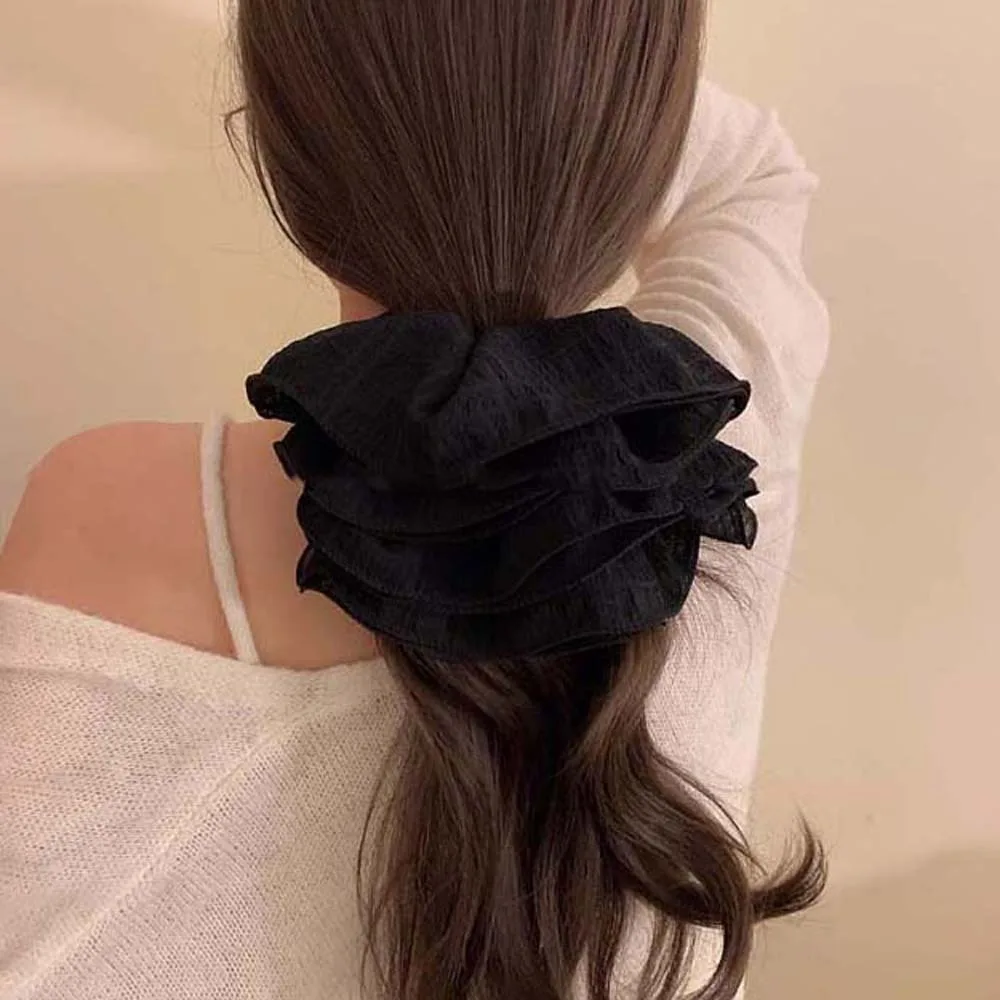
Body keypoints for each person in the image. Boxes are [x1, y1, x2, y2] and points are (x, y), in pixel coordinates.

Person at [0, 1, 830, 998]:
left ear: (269, 141)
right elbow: (748, 172)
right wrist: (554, 89)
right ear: (637, 140)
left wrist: (440, 95)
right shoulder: (710, 456)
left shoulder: (108, 511)